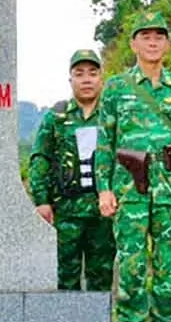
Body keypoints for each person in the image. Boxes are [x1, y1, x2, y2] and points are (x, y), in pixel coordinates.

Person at [95, 11, 171, 322]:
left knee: (169, 265)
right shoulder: (116, 88)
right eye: (146, 36)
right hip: (129, 189)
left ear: (168, 44)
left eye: (159, 36)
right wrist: (104, 189)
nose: (153, 42)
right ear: (134, 44)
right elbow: (104, 143)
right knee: (130, 263)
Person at [27, 49, 115, 293]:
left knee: (101, 277)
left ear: (101, 78)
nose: (86, 79)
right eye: (79, 74)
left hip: (103, 212)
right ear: (70, 80)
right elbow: (40, 159)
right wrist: (41, 200)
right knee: (66, 277)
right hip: (66, 211)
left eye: (92, 73)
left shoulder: (112, 115)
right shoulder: (56, 117)